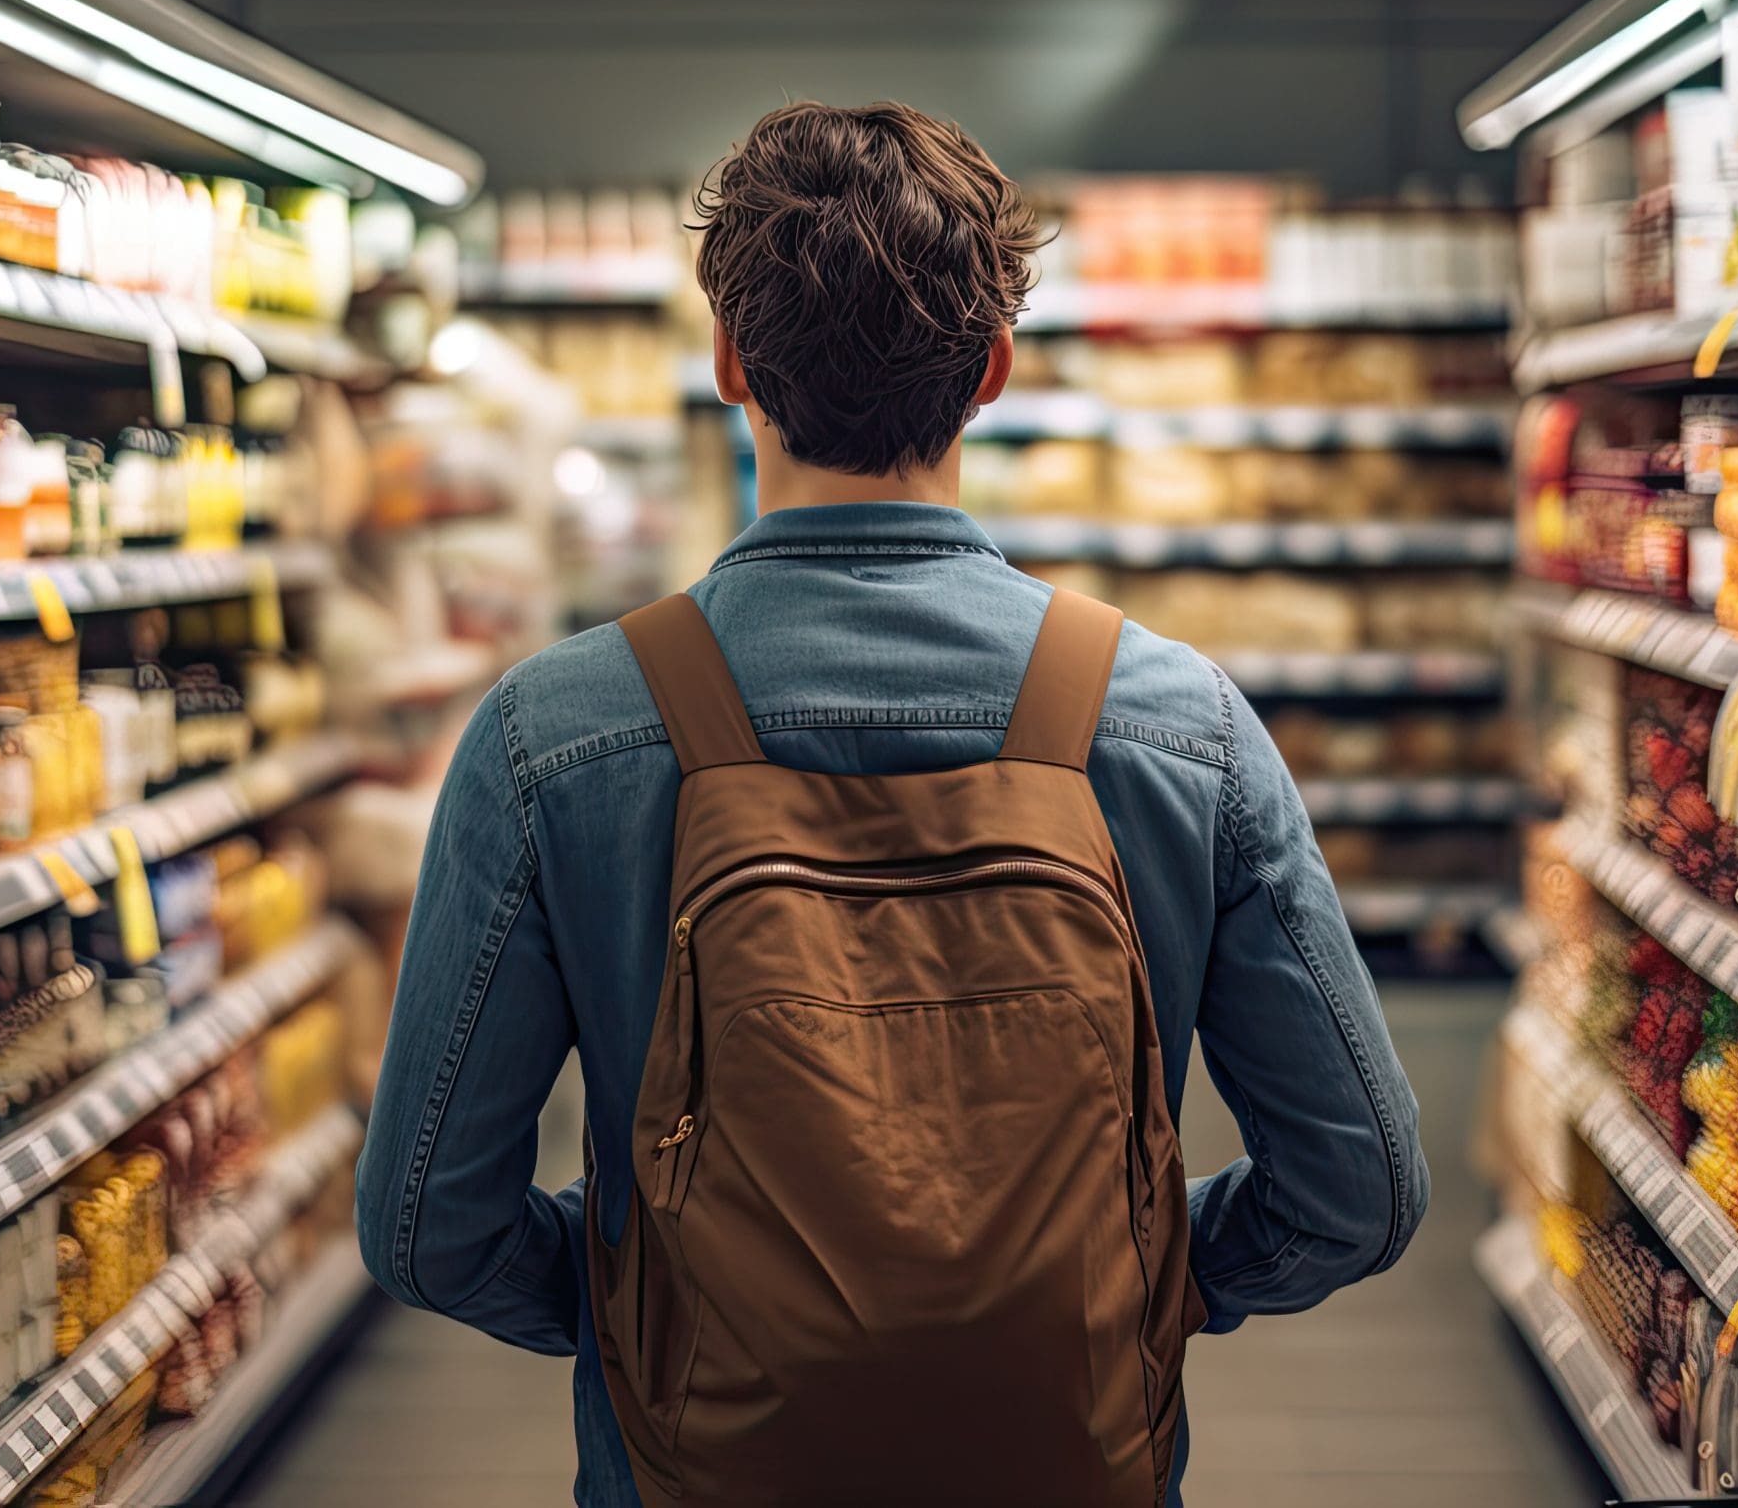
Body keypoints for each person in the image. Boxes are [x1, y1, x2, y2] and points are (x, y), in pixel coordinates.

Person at [355, 101, 1427, 1506]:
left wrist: (660, 1313)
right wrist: (1145, 1283)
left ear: (731, 362)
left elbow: (427, 1222)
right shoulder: (1177, 722)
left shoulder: (554, 735)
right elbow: (1364, 1190)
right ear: (991, 372)